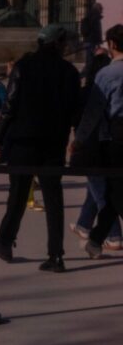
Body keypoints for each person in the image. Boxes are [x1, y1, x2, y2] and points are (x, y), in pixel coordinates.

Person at [0, 24, 81, 272]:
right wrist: (76, 137)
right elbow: (76, 112)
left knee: (17, 196)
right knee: (53, 199)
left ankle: (5, 242)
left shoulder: (24, 66)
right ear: (57, 43)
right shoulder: (69, 71)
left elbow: (10, 105)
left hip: (23, 142)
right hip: (53, 144)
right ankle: (56, 255)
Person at [71, 24, 123, 259]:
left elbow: (93, 112)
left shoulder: (106, 75)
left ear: (112, 45)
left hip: (115, 137)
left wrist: (79, 139)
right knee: (113, 193)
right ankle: (96, 237)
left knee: (113, 192)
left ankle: (98, 238)